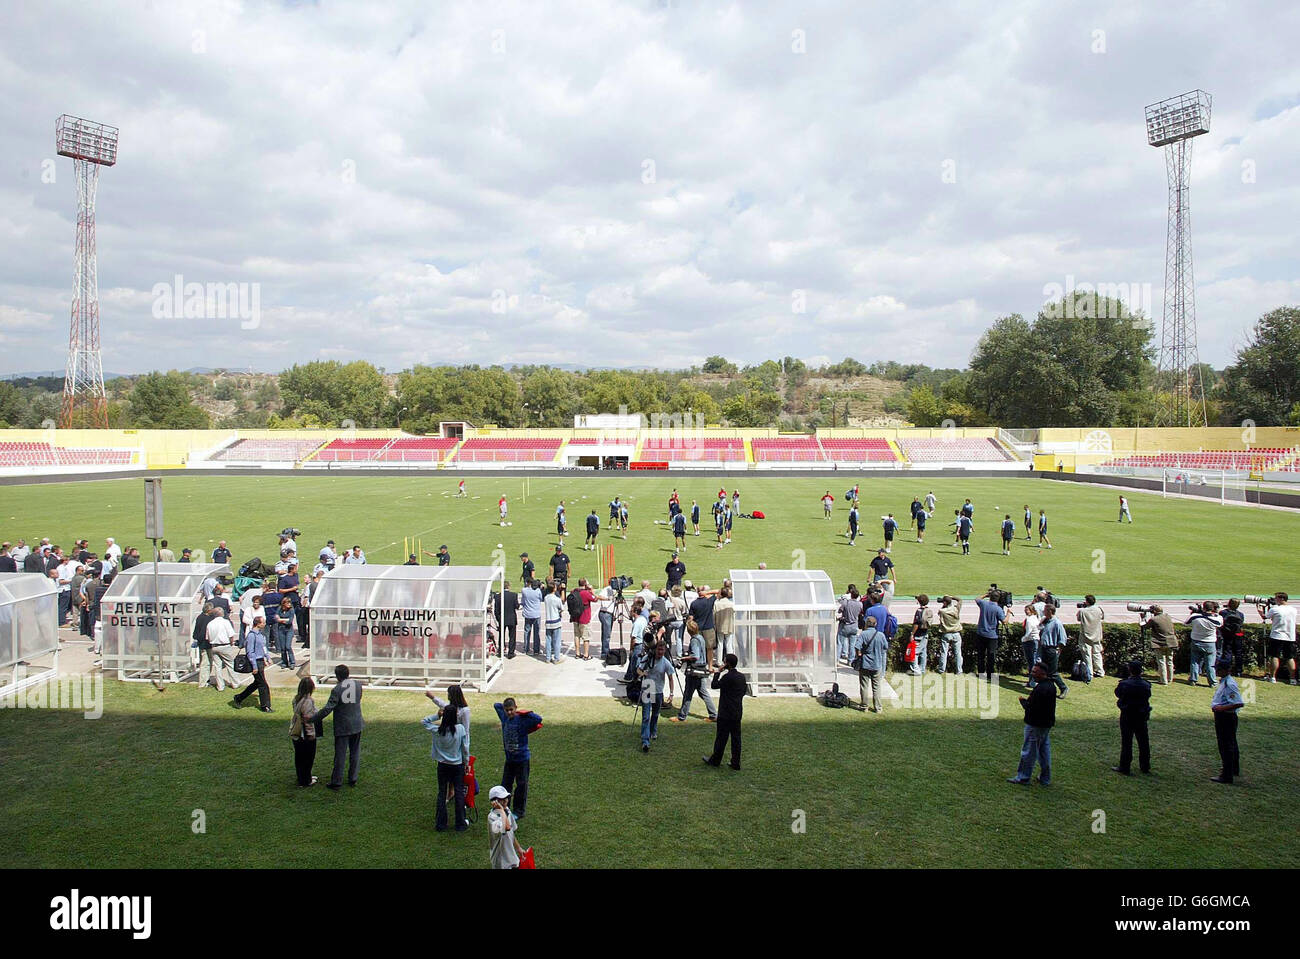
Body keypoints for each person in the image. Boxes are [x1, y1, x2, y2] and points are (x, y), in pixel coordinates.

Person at [313, 664, 366, 790]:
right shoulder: (358, 685)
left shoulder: (337, 689)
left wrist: (314, 718)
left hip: (343, 725)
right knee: (355, 752)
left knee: (340, 754)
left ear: (337, 676)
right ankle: (353, 778)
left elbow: (328, 709)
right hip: (357, 723)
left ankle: (337, 781)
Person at [422, 703, 470, 831]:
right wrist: (466, 763)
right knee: (459, 793)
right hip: (457, 766)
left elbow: (424, 721)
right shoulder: (460, 729)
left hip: (442, 766)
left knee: (442, 793)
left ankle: (441, 824)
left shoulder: (438, 730)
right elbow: (465, 748)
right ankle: (460, 824)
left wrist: (436, 715)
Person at [495, 698, 543, 819]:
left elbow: (538, 719)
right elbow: (496, 705)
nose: (509, 712)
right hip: (510, 759)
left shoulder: (522, 720)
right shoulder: (504, 718)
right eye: (507, 710)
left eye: (511, 710)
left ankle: (519, 811)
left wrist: (525, 713)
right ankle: (504, 808)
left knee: (521, 785)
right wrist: (505, 707)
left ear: (516, 708)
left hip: (522, 759)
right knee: (506, 785)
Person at [1008, 662, 1054, 786]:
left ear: (1042, 674)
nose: (1032, 674)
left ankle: (1023, 777)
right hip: (1046, 725)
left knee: (1029, 751)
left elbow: (1032, 707)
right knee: (1044, 752)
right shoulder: (1051, 686)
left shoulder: (1040, 689)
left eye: (1034, 672)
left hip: (1035, 725)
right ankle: (1045, 778)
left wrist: (1023, 703)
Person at [703, 653, 746, 770]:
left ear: (727, 664)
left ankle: (715, 760)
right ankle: (735, 762)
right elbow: (743, 691)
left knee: (721, 738)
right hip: (737, 712)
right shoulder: (741, 677)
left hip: (725, 713)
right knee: (736, 739)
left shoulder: (727, 677)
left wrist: (718, 672)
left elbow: (714, 685)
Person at [671, 622, 717, 723]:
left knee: (688, 694)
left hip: (694, 671)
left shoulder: (694, 640)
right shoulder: (700, 638)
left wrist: (683, 658)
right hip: (701, 669)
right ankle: (713, 715)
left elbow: (695, 656)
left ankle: (681, 717)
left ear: (689, 630)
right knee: (703, 693)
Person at [1112, 661, 1152, 776]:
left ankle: (1125, 766)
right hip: (1141, 715)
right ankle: (1145, 766)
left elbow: (1118, 694)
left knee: (1127, 741)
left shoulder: (1124, 684)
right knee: (1143, 741)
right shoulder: (1146, 685)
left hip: (1127, 715)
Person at [637, 638, 676, 752]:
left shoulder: (666, 663)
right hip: (648, 687)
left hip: (658, 691)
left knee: (655, 714)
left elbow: (670, 678)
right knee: (646, 716)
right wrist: (643, 673)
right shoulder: (648, 658)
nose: (660, 652)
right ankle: (645, 741)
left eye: (662, 650)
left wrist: (671, 693)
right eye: (658, 650)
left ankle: (653, 731)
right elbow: (638, 669)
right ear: (655, 650)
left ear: (665, 651)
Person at [1210, 656, 1244, 784]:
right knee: (1231, 743)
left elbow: (1238, 703)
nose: (1217, 671)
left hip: (1226, 717)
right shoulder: (1224, 681)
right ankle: (1233, 768)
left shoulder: (1229, 684)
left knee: (1225, 745)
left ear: (1226, 670)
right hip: (1225, 716)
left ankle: (1227, 774)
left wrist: (1220, 708)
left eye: (1219, 669)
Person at [232, 616, 272, 712]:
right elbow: (250, 652)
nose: (265, 624)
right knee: (263, 685)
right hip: (255, 662)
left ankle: (239, 697)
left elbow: (263, 647)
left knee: (257, 683)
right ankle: (265, 706)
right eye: (263, 622)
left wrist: (267, 657)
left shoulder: (260, 635)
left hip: (260, 661)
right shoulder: (251, 636)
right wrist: (254, 666)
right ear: (258, 624)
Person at [201, 604, 241, 692]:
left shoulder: (210, 624)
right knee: (230, 664)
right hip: (225, 645)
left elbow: (207, 637)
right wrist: (231, 643)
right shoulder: (225, 622)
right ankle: (235, 683)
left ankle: (220, 686)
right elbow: (231, 635)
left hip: (214, 646)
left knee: (217, 666)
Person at [854, 615, 889, 713]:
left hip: (865, 663)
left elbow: (857, 646)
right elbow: (885, 647)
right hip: (877, 664)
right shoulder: (881, 635)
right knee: (876, 687)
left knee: (864, 686)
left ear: (866, 624)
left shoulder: (863, 634)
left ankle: (864, 706)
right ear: (875, 624)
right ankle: (878, 707)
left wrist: (859, 655)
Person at [1260, 592, 1296, 684]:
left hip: (1277, 635)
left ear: (1281, 599)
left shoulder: (1275, 609)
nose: (1275, 600)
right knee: (1289, 657)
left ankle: (1272, 677)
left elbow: (1265, 617)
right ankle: (1292, 679)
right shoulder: (1293, 609)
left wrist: (1260, 610)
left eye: (1276, 598)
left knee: (1274, 656)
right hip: (1290, 636)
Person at [290, 677, 320, 787]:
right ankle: (306, 780)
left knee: (299, 757)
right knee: (308, 757)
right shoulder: (308, 701)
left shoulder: (296, 699)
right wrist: (311, 735)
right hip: (305, 734)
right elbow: (307, 719)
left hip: (296, 732)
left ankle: (303, 777)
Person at [488, 785, 526, 869]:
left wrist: (518, 848)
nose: (505, 800)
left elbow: (511, 832)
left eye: (506, 797)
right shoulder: (492, 818)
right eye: (501, 799)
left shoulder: (507, 810)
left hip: (510, 857)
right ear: (494, 802)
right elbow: (507, 827)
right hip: (501, 860)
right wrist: (501, 810)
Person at [1187, 601, 1223, 687]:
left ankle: (1193, 679)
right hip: (1209, 643)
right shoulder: (1217, 619)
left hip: (1196, 641)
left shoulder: (1195, 617)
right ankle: (1212, 682)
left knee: (1194, 662)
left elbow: (1186, 623)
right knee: (1210, 664)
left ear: (1203, 608)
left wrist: (1194, 613)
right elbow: (1220, 623)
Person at [1036, 604, 1068, 698]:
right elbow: (1039, 628)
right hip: (1044, 648)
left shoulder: (1057, 623)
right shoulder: (1047, 621)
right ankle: (1046, 689)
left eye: (1045, 611)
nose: (1043, 612)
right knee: (1044, 670)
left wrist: (1058, 649)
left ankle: (1063, 688)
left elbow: (1062, 638)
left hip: (1051, 649)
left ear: (1050, 611)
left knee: (1052, 672)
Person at [1142, 605, 1178, 685]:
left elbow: (1145, 627)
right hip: (1171, 642)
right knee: (1169, 661)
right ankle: (1170, 679)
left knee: (1161, 661)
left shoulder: (1153, 619)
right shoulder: (1167, 616)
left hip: (1159, 643)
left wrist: (1143, 618)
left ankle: (1163, 680)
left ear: (1154, 611)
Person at [1076, 595, 1106, 683]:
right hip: (1096, 634)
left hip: (1085, 635)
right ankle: (1100, 671)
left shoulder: (1082, 611)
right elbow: (1102, 617)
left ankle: (1090, 672)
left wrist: (1082, 609)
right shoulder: (1099, 609)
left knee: (1087, 654)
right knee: (1097, 653)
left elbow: (1078, 619)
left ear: (1087, 602)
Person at [936, 595, 963, 675]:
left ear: (944, 603)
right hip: (956, 633)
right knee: (958, 653)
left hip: (946, 633)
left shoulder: (942, 611)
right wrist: (952, 597)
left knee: (944, 652)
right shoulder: (956, 609)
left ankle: (941, 669)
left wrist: (944, 604)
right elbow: (960, 599)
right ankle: (959, 670)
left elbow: (939, 612)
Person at [572, 578, 598, 661]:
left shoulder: (574, 591)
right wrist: (592, 591)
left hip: (575, 617)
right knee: (586, 637)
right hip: (584, 618)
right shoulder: (586, 593)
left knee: (577, 635)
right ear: (585, 584)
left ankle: (577, 653)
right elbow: (595, 599)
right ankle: (586, 654)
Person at [1219, 598, 1246, 677]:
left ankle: (1226, 669)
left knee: (1227, 652)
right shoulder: (1240, 614)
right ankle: (1239, 671)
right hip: (1238, 634)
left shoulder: (1223, 612)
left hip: (1227, 634)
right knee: (1238, 653)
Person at [910, 594, 935, 675]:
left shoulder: (919, 611)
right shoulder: (929, 610)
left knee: (915, 652)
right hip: (925, 633)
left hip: (918, 634)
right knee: (923, 652)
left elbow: (916, 623)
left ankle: (916, 670)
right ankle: (922, 669)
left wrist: (912, 634)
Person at [495, 581, 519, 658]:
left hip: (502, 618)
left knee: (501, 636)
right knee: (512, 636)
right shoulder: (513, 595)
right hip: (511, 618)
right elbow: (516, 606)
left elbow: (496, 610)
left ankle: (500, 652)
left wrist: (498, 619)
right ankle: (511, 652)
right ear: (509, 587)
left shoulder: (498, 596)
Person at [520, 578, 542, 657]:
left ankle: (526, 648)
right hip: (536, 614)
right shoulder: (538, 591)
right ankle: (536, 650)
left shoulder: (524, 590)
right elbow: (541, 599)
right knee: (536, 632)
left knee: (527, 631)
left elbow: (523, 601)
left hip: (528, 614)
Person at [273, 596, 297, 669]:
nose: (289, 604)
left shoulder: (291, 610)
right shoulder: (279, 609)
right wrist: (283, 620)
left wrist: (281, 620)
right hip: (281, 630)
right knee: (282, 648)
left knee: (288, 646)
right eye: (288, 603)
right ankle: (284, 662)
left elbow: (290, 621)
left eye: (290, 603)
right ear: (284, 603)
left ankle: (292, 662)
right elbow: (276, 618)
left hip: (289, 630)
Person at [543, 582, 565, 663]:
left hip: (548, 621)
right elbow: (562, 608)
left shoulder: (546, 598)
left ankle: (548, 658)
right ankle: (556, 658)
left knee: (548, 640)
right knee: (557, 641)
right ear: (554, 589)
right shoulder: (557, 599)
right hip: (556, 621)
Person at [1020, 604, 1041, 689]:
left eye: (1027, 610)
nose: (1026, 611)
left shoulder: (1029, 620)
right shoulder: (1036, 618)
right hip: (1035, 640)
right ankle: (1033, 681)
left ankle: (1032, 681)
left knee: (1031, 662)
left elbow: (1028, 632)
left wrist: (1023, 639)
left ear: (1031, 611)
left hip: (1030, 641)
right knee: (1034, 661)